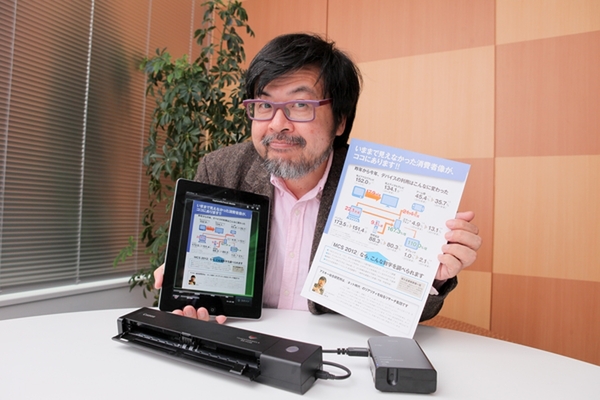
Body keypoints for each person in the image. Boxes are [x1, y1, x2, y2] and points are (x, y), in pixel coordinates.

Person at [153, 32, 482, 323]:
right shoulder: (221, 169)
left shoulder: (377, 189)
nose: (277, 124)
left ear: (340, 120)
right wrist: (188, 288)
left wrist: (430, 277)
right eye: (264, 105)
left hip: (336, 355)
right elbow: (201, 287)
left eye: (299, 104)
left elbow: (408, 314)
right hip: (247, 342)